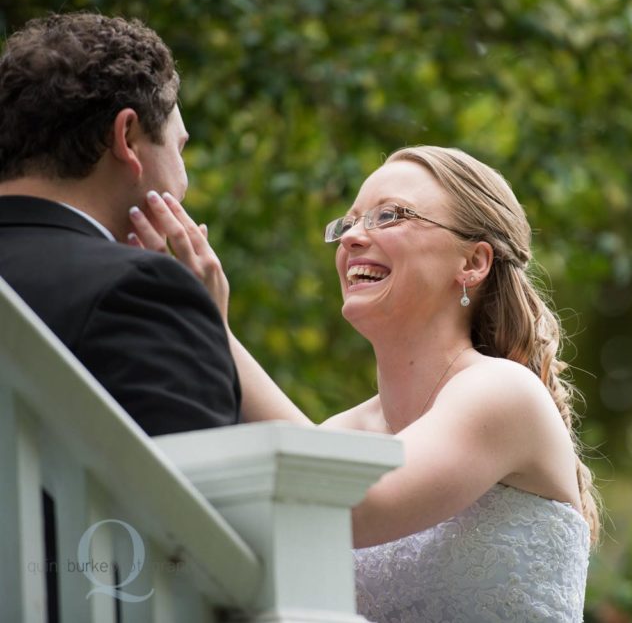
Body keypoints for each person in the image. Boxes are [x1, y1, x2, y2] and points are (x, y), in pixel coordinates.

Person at [132, 145, 600, 621]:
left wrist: (216, 331)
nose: (353, 237)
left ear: (474, 263)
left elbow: (342, 504)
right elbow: (289, 502)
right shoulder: (347, 431)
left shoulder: (504, 393)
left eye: (389, 216)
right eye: (348, 222)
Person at [0, 12, 309, 434]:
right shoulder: (138, 292)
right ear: (127, 137)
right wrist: (207, 328)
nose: (184, 181)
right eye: (178, 149)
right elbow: (200, 489)